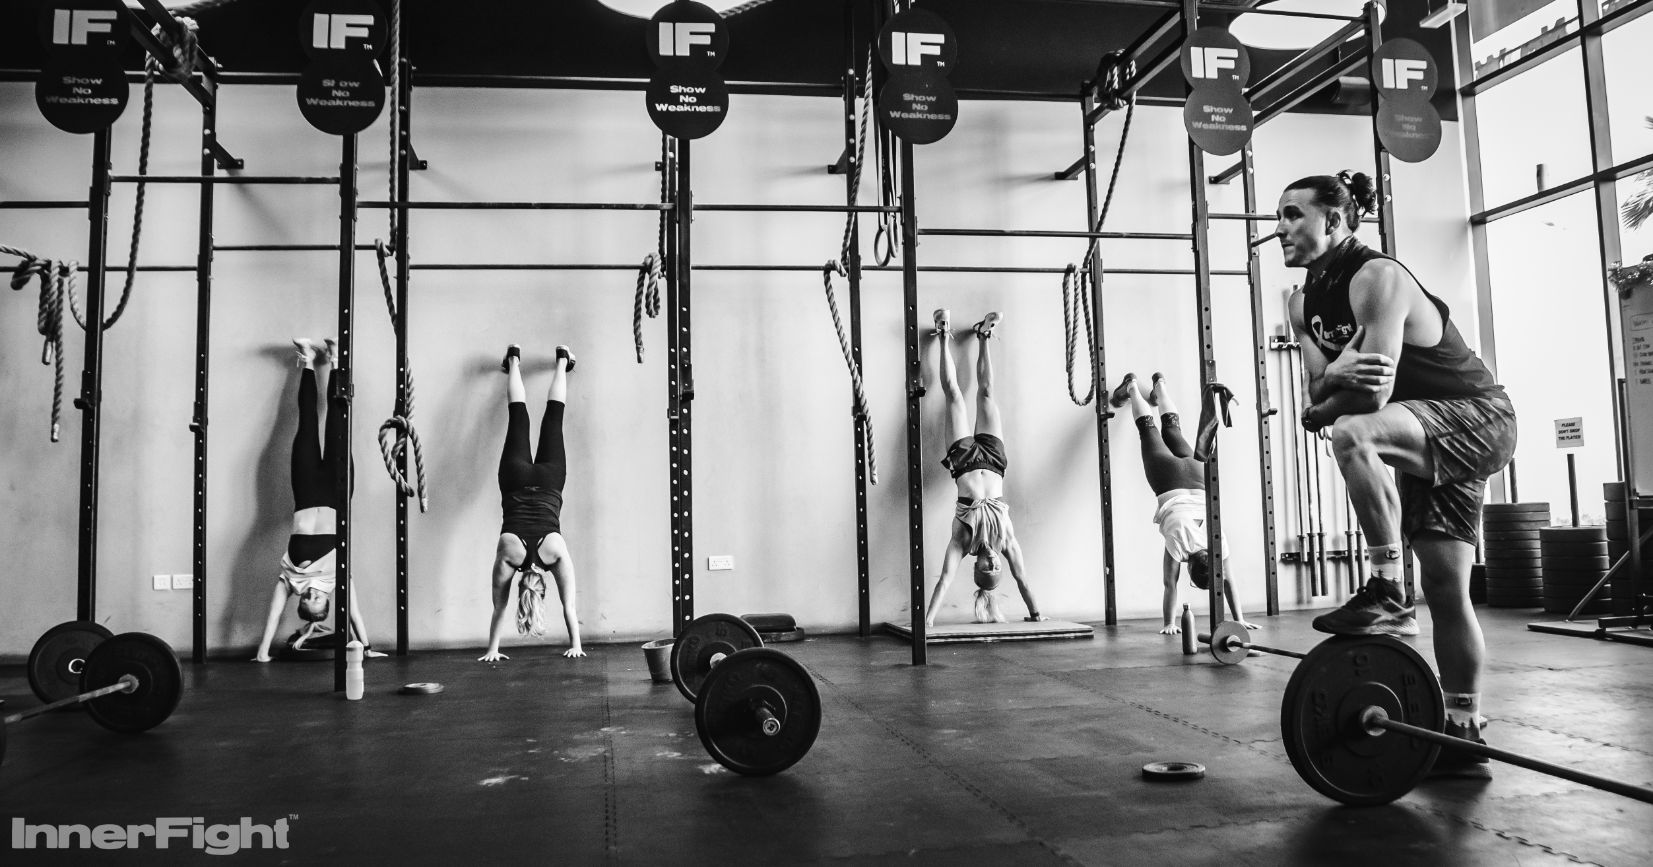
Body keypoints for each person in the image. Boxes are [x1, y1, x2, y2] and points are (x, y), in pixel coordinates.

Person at [1279, 171, 1516, 778]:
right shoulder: (1300, 303)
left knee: (1352, 432)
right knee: (1447, 588)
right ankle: (1464, 732)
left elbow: (1368, 396)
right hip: (1421, 431)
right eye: (1280, 216)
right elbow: (1312, 397)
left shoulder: (1376, 278)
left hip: (1478, 416)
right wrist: (1334, 378)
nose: (1280, 228)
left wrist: (1334, 386)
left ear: (1334, 221)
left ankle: (1387, 588)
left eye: (1293, 215)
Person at [253, 338, 384, 662]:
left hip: (306, 491)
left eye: (306, 600)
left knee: (307, 424)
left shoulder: (289, 580)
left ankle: (308, 359)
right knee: (339, 425)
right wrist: (366, 648)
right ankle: (336, 360)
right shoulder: (338, 576)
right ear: (327, 601)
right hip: (336, 496)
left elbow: (274, 614)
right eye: (317, 600)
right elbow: (354, 614)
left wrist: (263, 651)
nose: (311, 594)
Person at [1109, 372, 1258, 635]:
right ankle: (1131, 386)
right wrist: (1169, 623)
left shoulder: (1218, 543)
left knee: (1172, 427)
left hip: (1196, 474)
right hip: (1167, 480)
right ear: (1190, 568)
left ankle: (1161, 386)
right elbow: (1170, 585)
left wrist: (1240, 618)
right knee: (1147, 428)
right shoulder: (1179, 545)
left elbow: (1229, 581)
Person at [923, 310, 1046, 627]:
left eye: (985, 568)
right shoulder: (1006, 541)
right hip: (993, 460)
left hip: (964, 460)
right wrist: (1035, 613)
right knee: (987, 394)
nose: (992, 563)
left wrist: (928, 621)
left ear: (976, 568)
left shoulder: (963, 542)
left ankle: (943, 334)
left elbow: (945, 579)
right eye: (997, 568)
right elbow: (1022, 578)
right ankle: (983, 336)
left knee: (954, 395)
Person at [480, 344, 586, 662]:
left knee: (554, 417)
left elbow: (569, 607)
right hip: (514, 479)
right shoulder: (508, 555)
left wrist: (577, 644)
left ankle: (562, 361)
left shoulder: (554, 552)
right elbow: (499, 608)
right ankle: (514, 360)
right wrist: (492, 649)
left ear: (542, 588)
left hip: (550, 480)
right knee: (518, 416)